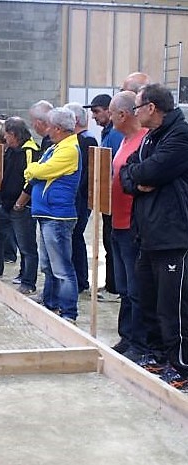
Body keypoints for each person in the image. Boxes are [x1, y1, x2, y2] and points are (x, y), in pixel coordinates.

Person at [120, 83, 188, 389]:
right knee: (148, 301)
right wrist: (138, 179)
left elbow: (150, 172)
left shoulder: (180, 136)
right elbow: (128, 174)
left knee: (173, 306)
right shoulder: (151, 137)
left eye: (137, 106)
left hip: (174, 235)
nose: (135, 113)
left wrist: (140, 177)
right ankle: (159, 355)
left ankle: (182, 366)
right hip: (147, 233)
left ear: (151, 108)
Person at [24, 107, 81, 324]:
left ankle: (68, 313)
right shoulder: (56, 147)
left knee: (62, 268)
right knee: (48, 265)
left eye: (49, 126)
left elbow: (38, 171)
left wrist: (33, 170)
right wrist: (34, 170)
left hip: (58, 216)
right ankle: (51, 303)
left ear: (57, 128)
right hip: (47, 214)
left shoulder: (70, 149)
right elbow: (37, 172)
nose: (46, 130)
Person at [108, 91, 150, 360]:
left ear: (123, 114)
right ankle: (127, 335)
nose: (109, 118)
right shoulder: (125, 141)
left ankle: (140, 343)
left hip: (134, 225)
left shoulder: (144, 140)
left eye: (111, 113)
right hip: (117, 221)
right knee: (124, 287)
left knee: (136, 289)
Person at [85, 94, 124, 301]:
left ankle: (115, 288)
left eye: (97, 111)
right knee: (109, 243)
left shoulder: (116, 134)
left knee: (113, 244)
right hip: (108, 198)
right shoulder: (109, 133)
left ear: (110, 111)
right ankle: (112, 285)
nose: (94, 116)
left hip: (114, 199)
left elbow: (116, 168)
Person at [1, 117, 40, 294]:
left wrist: (20, 202)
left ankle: (28, 281)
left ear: (14, 134)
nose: (5, 138)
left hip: (21, 206)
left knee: (27, 246)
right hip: (7, 204)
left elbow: (32, 178)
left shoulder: (30, 151)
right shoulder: (11, 150)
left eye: (7, 135)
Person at [63, 102, 96, 295]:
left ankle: (80, 279)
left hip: (79, 199)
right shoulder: (83, 140)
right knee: (75, 238)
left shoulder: (85, 141)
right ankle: (80, 278)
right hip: (78, 197)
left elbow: (85, 174)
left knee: (75, 237)